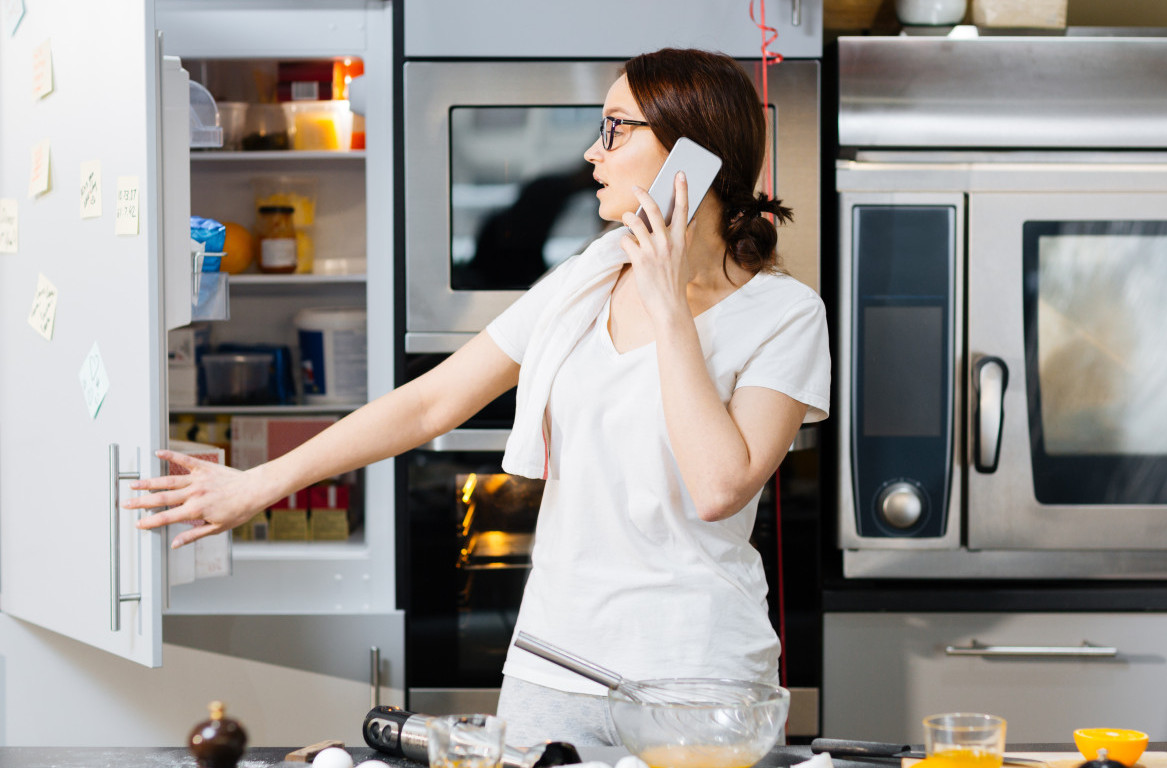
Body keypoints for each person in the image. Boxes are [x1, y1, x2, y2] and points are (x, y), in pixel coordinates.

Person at [129, 47, 830, 747]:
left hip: (695, 678)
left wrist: (670, 308)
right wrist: (258, 484)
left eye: (616, 128)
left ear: (692, 155)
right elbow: (430, 403)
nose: (594, 151)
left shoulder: (783, 315)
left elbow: (719, 486)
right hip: (555, 666)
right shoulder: (590, 275)